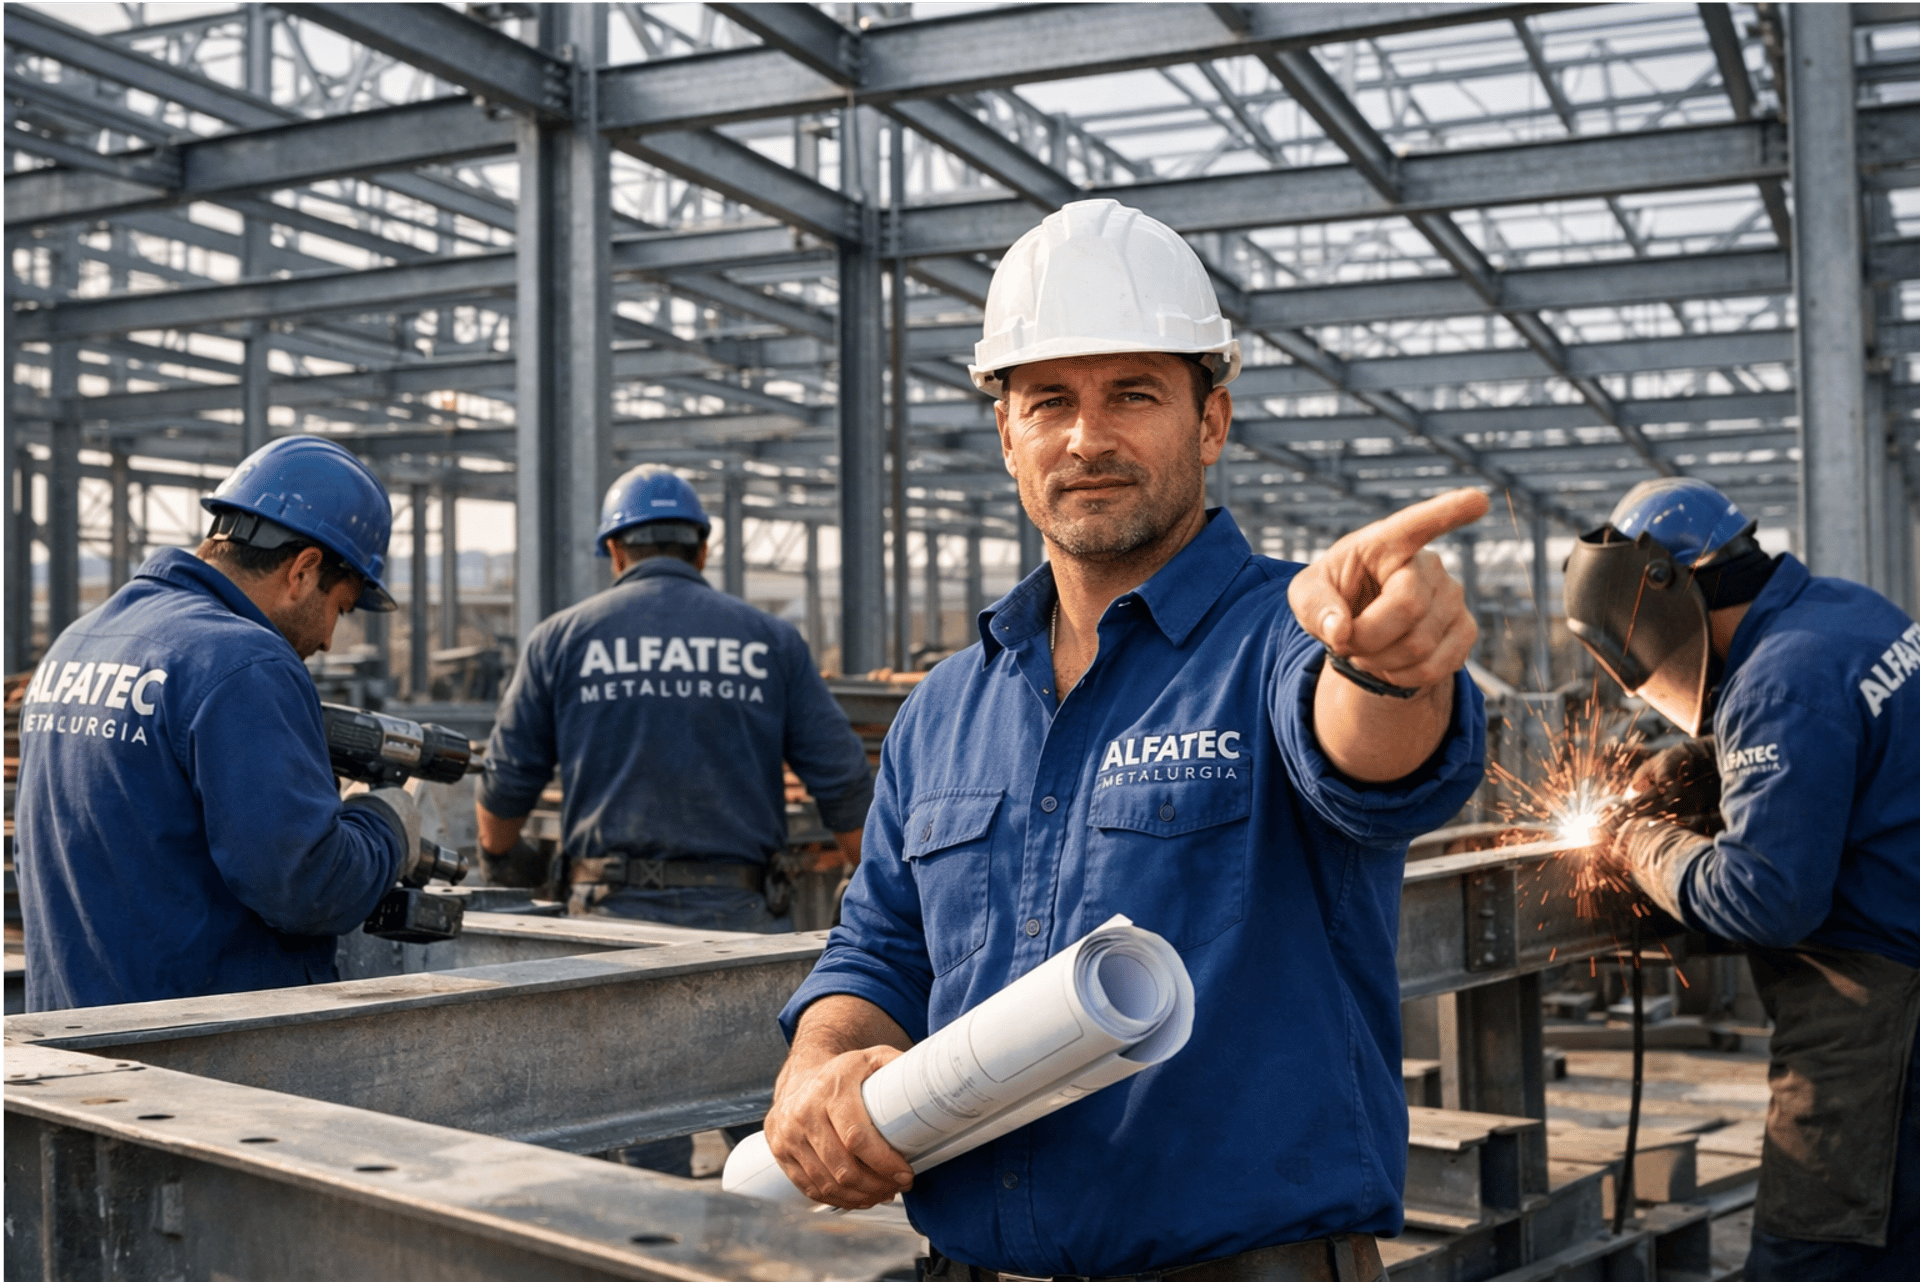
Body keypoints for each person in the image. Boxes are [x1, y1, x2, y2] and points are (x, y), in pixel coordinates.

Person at [760, 198, 1490, 1279]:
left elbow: (1366, 753)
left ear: (1210, 420)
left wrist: (1383, 663)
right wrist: (817, 1066)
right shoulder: (947, 708)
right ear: (1007, 431)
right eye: (1049, 399)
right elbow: (881, 947)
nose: (1086, 438)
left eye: (1133, 395)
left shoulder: (1280, 637)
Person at [1566, 477, 1920, 1282]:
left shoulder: (1778, 681)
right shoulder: (1845, 610)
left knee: (1814, 1254)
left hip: (1880, 1018)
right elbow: (1841, 750)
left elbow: (1766, 899)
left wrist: (1634, 839)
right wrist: (1707, 759)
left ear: (1662, 593)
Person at [15, 435, 425, 1012]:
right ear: (304, 571)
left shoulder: (78, 642)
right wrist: (386, 826)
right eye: (341, 607)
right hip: (203, 1057)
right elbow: (306, 888)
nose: (330, 639)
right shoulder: (243, 662)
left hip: (74, 1042)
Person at [474, 464, 872, 934]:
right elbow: (844, 785)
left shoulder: (559, 641)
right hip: (741, 922)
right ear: (701, 551)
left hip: (604, 923)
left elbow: (501, 802)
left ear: (615, 551)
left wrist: (500, 857)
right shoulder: (772, 641)